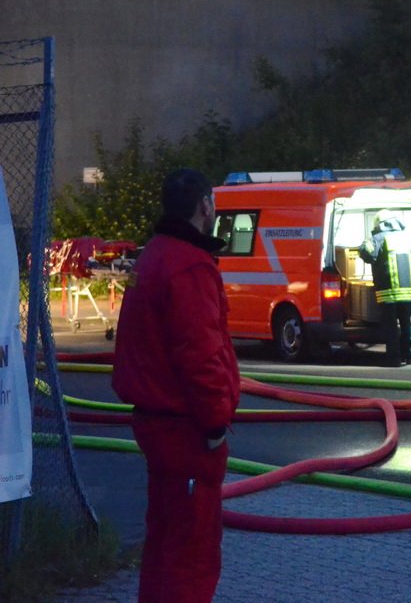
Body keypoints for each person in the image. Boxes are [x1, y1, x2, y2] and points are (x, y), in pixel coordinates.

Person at [112, 168, 241, 603]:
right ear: (205, 205)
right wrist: (214, 423)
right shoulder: (188, 267)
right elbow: (201, 355)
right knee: (191, 554)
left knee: (165, 544)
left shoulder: (156, 256)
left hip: (159, 425)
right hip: (185, 431)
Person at [358, 209, 411, 367]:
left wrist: (364, 243)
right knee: (407, 324)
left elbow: (367, 253)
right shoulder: (405, 237)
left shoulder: (378, 238)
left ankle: (394, 359)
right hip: (407, 292)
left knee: (391, 327)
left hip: (388, 292)